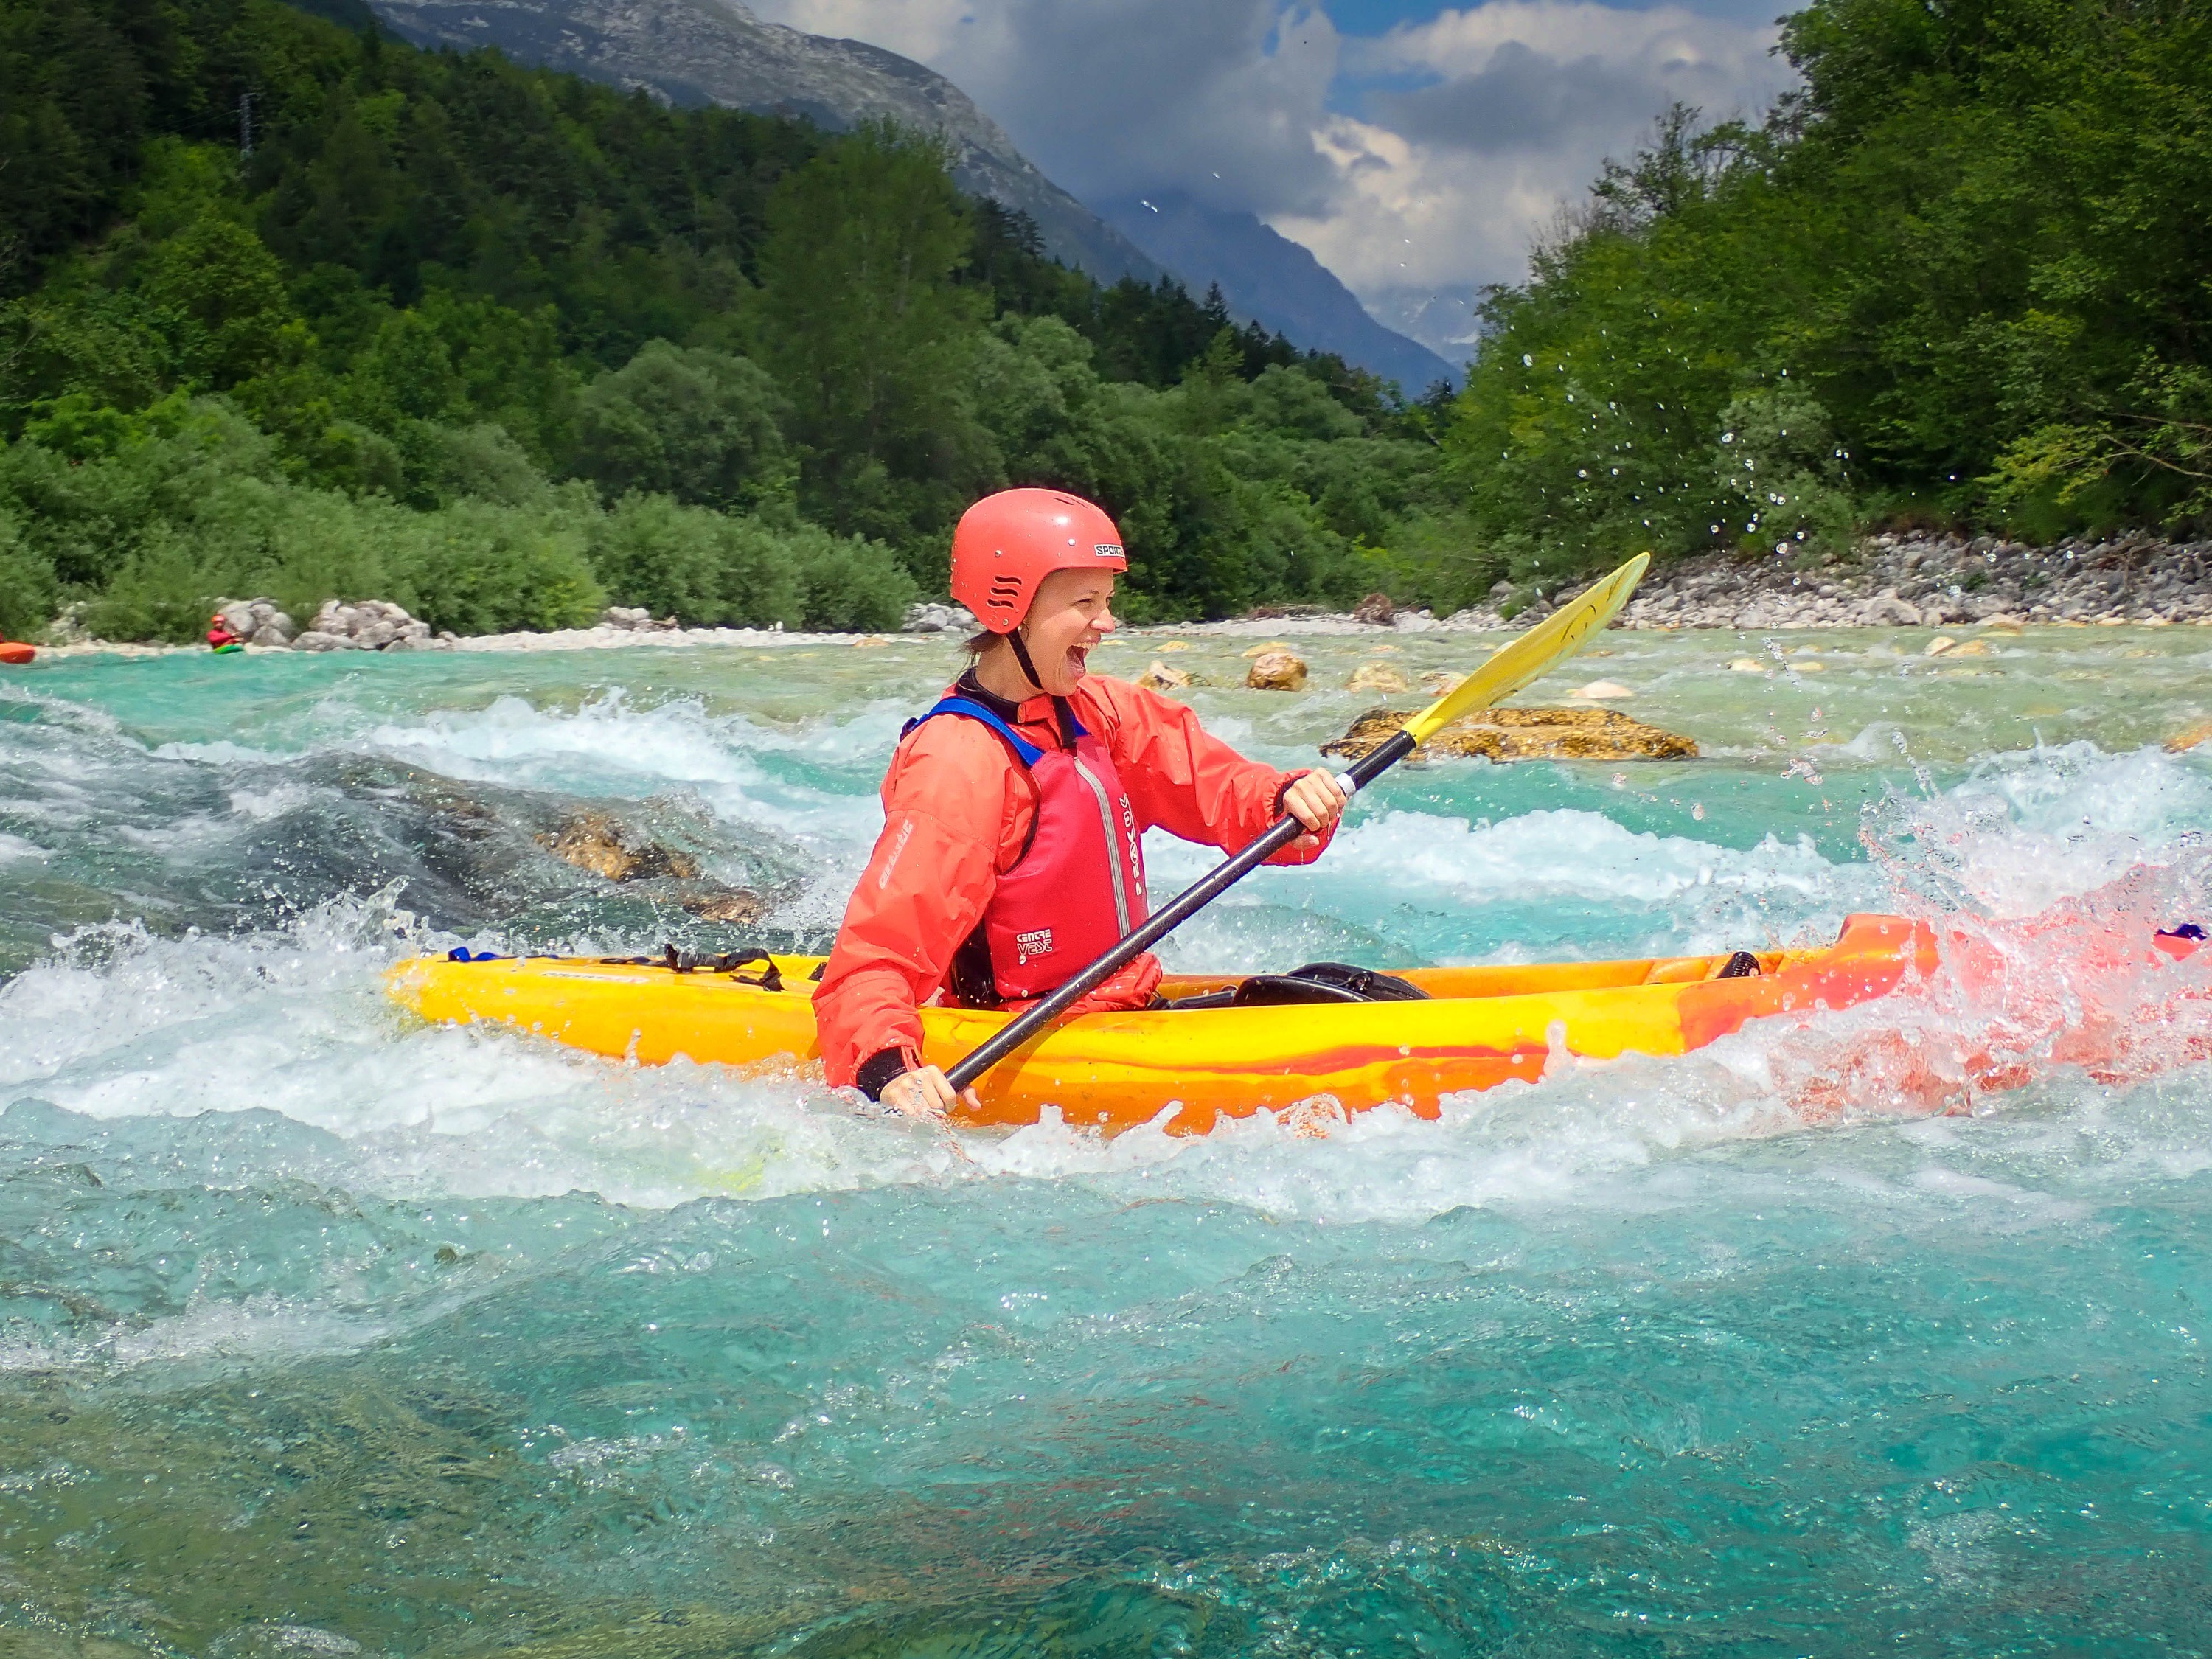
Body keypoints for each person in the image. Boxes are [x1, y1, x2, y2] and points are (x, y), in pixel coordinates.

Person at [813, 487, 1349, 1118]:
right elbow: (881, 951)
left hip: (1122, 1009)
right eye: (1084, 603)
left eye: (1108, 601)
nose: (1107, 622)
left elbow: (1213, 785)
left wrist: (1284, 798)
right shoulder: (961, 763)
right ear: (1011, 608)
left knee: (1352, 990)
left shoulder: (1100, 710)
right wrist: (884, 1063)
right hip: (1028, 1034)